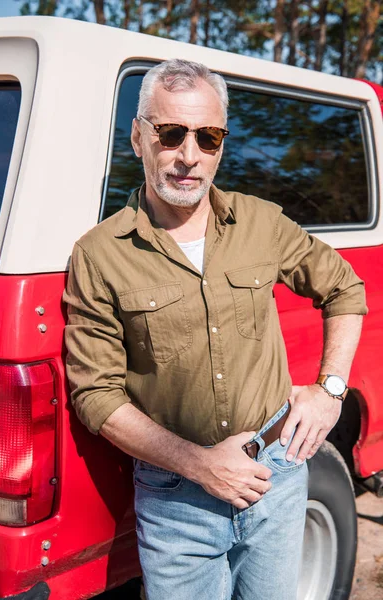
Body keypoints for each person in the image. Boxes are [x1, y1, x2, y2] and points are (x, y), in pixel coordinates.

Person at [64, 59, 367, 600]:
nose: (189, 156)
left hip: (279, 469)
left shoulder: (261, 222)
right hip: (176, 498)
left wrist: (330, 391)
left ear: (222, 143)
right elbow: (95, 396)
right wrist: (199, 465)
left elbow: (345, 288)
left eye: (208, 137)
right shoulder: (99, 255)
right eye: (171, 133)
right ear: (138, 137)